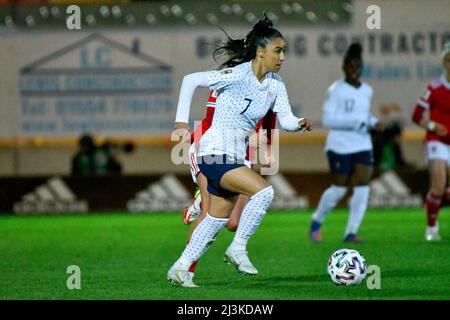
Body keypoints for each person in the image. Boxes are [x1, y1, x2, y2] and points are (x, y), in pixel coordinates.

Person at [168, 15, 312, 287]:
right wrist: (180, 123)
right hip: (212, 151)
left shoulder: (275, 85)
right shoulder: (236, 75)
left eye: (284, 52)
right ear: (260, 51)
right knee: (264, 191)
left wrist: (299, 124)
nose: (282, 57)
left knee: (216, 218)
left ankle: (181, 268)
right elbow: (190, 81)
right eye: (278, 51)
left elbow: (287, 119)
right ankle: (238, 248)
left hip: (234, 156)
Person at [182, 89, 277, 276]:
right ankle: (186, 270)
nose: (280, 58)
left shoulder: (269, 85)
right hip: (210, 148)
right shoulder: (230, 79)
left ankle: (201, 200)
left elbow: (269, 116)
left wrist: (268, 149)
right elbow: (213, 121)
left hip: (241, 153)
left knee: (233, 223)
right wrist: (247, 137)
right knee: (210, 213)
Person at [309, 43, 382, 244]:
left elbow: (363, 114)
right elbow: (328, 120)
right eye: (350, 66)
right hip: (339, 145)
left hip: (362, 144)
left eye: (357, 65)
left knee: (363, 186)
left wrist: (374, 122)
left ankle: (351, 232)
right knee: (339, 189)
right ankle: (317, 220)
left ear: (361, 67)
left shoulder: (367, 90)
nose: (354, 69)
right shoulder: (336, 90)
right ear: (344, 67)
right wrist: (356, 123)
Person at [411, 41, 450, 241]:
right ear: (444, 62)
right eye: (449, 60)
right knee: (438, 185)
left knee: (444, 191)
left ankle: (436, 203)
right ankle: (431, 228)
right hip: (437, 141)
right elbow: (417, 115)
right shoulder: (434, 87)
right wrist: (433, 126)